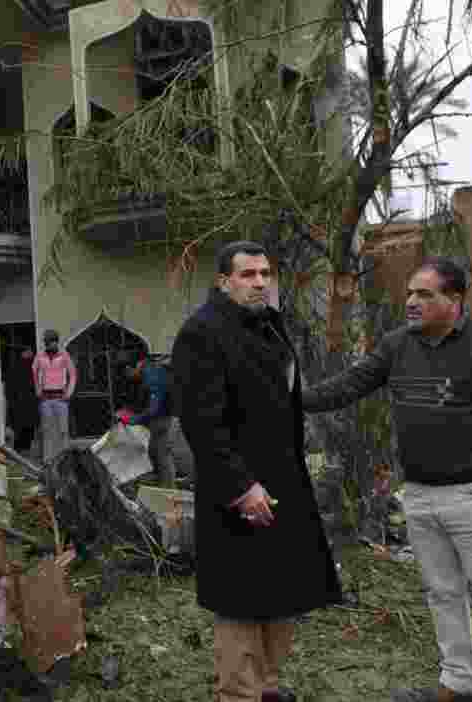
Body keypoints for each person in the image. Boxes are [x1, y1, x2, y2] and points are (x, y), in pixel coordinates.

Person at [301, 257, 472, 702]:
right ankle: (460, 676)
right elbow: (349, 385)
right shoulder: (397, 346)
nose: (411, 301)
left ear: (455, 299)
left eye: (425, 294)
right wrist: (292, 398)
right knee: (443, 594)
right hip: (420, 495)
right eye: (410, 292)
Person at [171, 240, 342, 702]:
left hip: (282, 479)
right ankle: (239, 695)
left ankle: (266, 687)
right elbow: (202, 424)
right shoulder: (202, 333)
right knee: (241, 602)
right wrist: (241, 487)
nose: (260, 283)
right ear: (223, 281)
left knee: (281, 591)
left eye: (266, 273)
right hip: (238, 490)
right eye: (248, 275)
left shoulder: (269, 326)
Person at [118, 351, 177, 488]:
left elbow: (154, 408)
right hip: (161, 417)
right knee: (156, 454)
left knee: (160, 455)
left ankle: (168, 489)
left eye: (127, 375)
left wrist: (133, 419)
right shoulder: (150, 370)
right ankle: (164, 486)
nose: (130, 378)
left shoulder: (151, 374)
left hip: (162, 419)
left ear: (129, 369)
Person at [32, 329, 77, 465]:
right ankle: (48, 461)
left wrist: (69, 393)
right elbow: (34, 373)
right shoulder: (40, 357)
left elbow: (73, 374)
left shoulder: (64, 356)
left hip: (61, 398)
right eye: (47, 342)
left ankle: (64, 460)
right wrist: (38, 390)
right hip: (46, 399)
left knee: (63, 430)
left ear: (56, 342)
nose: (50, 344)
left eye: (52, 341)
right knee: (47, 431)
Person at [9, 348, 39, 455]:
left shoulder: (16, 367)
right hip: (24, 403)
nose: (30, 354)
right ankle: (21, 450)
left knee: (24, 428)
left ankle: (21, 450)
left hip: (24, 403)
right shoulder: (29, 367)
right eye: (28, 352)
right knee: (24, 429)